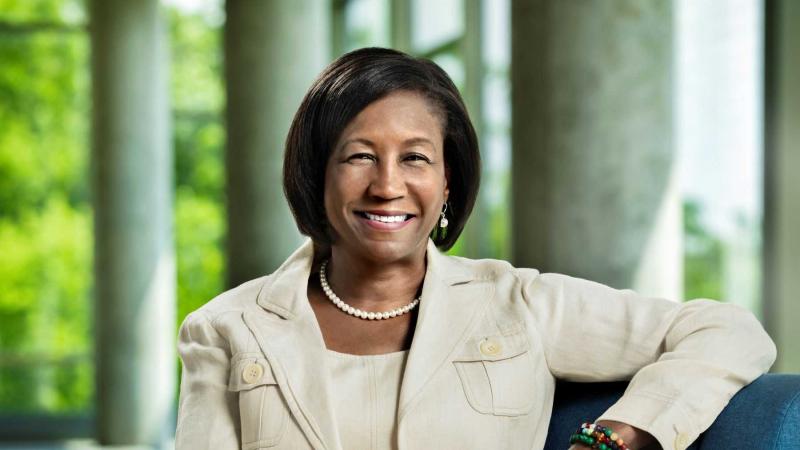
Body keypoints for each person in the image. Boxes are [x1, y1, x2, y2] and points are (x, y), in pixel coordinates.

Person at [174, 47, 776, 450]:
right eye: (359, 156)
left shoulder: (519, 306)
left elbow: (728, 330)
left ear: (447, 181)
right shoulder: (226, 329)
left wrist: (622, 433)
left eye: (415, 158)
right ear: (316, 174)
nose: (387, 185)